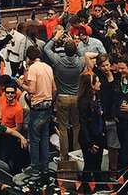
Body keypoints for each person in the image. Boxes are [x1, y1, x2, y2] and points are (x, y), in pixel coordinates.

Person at [44, 27, 84, 159]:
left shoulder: (58, 61)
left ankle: (64, 155)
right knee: (76, 126)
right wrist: (73, 41)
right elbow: (82, 53)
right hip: (76, 97)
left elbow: (46, 49)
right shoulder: (79, 63)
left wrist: (55, 38)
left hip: (62, 97)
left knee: (63, 128)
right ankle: (77, 152)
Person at [20, 45, 54, 174]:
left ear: (29, 58)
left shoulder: (33, 68)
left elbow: (32, 90)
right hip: (48, 105)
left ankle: (34, 167)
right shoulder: (48, 67)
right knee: (45, 138)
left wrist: (21, 84)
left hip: (37, 106)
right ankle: (45, 167)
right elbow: (54, 89)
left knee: (34, 139)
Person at [76, 73, 104, 185]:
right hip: (88, 138)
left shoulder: (97, 96)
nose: (100, 83)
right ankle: (85, 188)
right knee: (89, 165)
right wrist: (89, 143)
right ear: (91, 85)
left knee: (98, 165)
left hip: (99, 135)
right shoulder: (83, 102)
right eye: (97, 81)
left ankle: (99, 186)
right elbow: (83, 124)